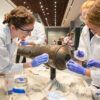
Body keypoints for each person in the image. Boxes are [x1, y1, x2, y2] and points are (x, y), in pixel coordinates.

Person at [0, 6, 49, 94]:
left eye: (32, 30)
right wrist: (30, 64)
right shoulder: (1, 38)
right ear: (13, 28)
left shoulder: (13, 36)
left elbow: (8, 65)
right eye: (27, 31)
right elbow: (4, 69)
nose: (30, 35)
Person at [66, 0, 100, 99]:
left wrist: (84, 71)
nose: (85, 19)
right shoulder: (86, 29)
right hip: (95, 80)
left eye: (87, 15)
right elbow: (84, 49)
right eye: (83, 16)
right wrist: (80, 54)